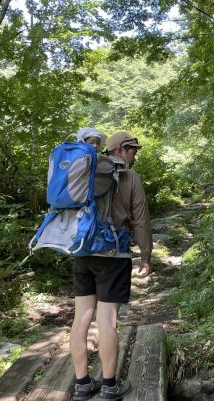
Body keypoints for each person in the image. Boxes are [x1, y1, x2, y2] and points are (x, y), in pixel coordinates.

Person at [70, 130, 152, 401]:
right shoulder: (130, 178)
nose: (135, 156)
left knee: (80, 319)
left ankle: (82, 384)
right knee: (107, 320)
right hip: (113, 256)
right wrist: (146, 256)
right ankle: (109, 385)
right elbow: (140, 220)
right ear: (120, 150)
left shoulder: (87, 170)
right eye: (132, 151)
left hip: (82, 253)